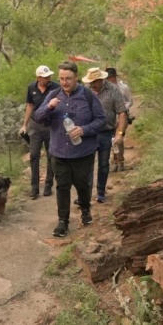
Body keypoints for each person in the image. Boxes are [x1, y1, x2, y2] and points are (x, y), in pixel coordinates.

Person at [34, 61, 106, 237]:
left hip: (83, 152)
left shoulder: (88, 95)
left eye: (68, 79)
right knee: (62, 187)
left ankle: (85, 209)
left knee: (82, 184)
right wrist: (49, 107)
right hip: (59, 152)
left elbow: (101, 120)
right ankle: (62, 222)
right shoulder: (53, 94)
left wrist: (84, 129)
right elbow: (38, 117)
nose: (65, 82)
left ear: (76, 78)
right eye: (62, 79)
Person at [82, 68, 128, 203]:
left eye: (96, 81)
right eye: (91, 82)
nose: (93, 84)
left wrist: (120, 133)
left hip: (106, 132)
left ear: (102, 79)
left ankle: (101, 192)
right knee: (87, 164)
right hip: (89, 132)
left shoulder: (113, 90)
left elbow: (122, 112)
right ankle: (85, 194)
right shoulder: (85, 90)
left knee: (103, 163)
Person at [19, 65, 61, 199]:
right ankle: (34, 187)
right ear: (38, 78)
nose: (48, 78)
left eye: (49, 76)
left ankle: (48, 184)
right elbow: (29, 106)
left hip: (50, 125)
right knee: (34, 155)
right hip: (35, 125)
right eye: (45, 77)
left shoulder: (55, 87)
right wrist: (24, 125)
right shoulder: (31, 88)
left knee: (51, 155)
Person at [106, 67, 133, 172]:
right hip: (111, 118)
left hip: (122, 117)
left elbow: (130, 101)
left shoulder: (123, 87)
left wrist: (122, 108)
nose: (109, 80)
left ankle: (120, 162)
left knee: (119, 137)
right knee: (112, 139)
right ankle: (116, 162)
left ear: (114, 77)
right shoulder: (106, 89)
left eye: (111, 77)